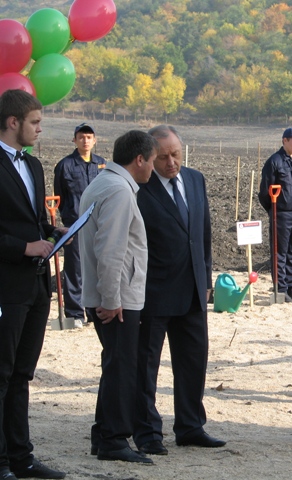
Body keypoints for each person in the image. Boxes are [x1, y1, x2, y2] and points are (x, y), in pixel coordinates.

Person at [134, 125, 225, 455]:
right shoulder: (139, 188)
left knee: (193, 361)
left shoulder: (195, 179)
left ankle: (190, 426)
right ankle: (147, 432)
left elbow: (203, 235)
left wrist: (207, 282)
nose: (171, 163)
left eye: (176, 154)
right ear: (148, 157)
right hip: (154, 292)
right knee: (146, 366)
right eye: (163, 157)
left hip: (192, 290)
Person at [78, 130, 157, 464]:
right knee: (123, 366)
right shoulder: (118, 191)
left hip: (112, 294)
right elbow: (109, 250)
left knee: (114, 365)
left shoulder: (105, 182)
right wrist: (111, 298)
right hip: (117, 299)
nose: (153, 167)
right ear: (139, 159)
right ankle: (114, 440)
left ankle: (103, 434)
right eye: (153, 160)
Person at [0, 90, 67, 479]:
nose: (40, 129)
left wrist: (53, 231)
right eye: (35, 122)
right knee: (1, 374)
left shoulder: (35, 166)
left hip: (37, 286)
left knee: (23, 374)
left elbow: (30, 221)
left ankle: (22, 457)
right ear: (13, 122)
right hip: (6, 286)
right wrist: (24, 246)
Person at [53, 123, 106, 326]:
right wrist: (68, 218)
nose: (85, 141)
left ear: (95, 140)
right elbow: (61, 196)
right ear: (74, 140)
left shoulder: (101, 164)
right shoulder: (65, 165)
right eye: (81, 137)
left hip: (98, 224)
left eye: (89, 137)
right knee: (74, 268)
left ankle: (93, 311)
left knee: (96, 266)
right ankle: (75, 313)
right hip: (74, 225)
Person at [259, 127, 292, 302]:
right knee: (280, 253)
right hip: (281, 214)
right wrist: (275, 211)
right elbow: (265, 193)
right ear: (285, 141)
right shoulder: (274, 162)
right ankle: (280, 290)